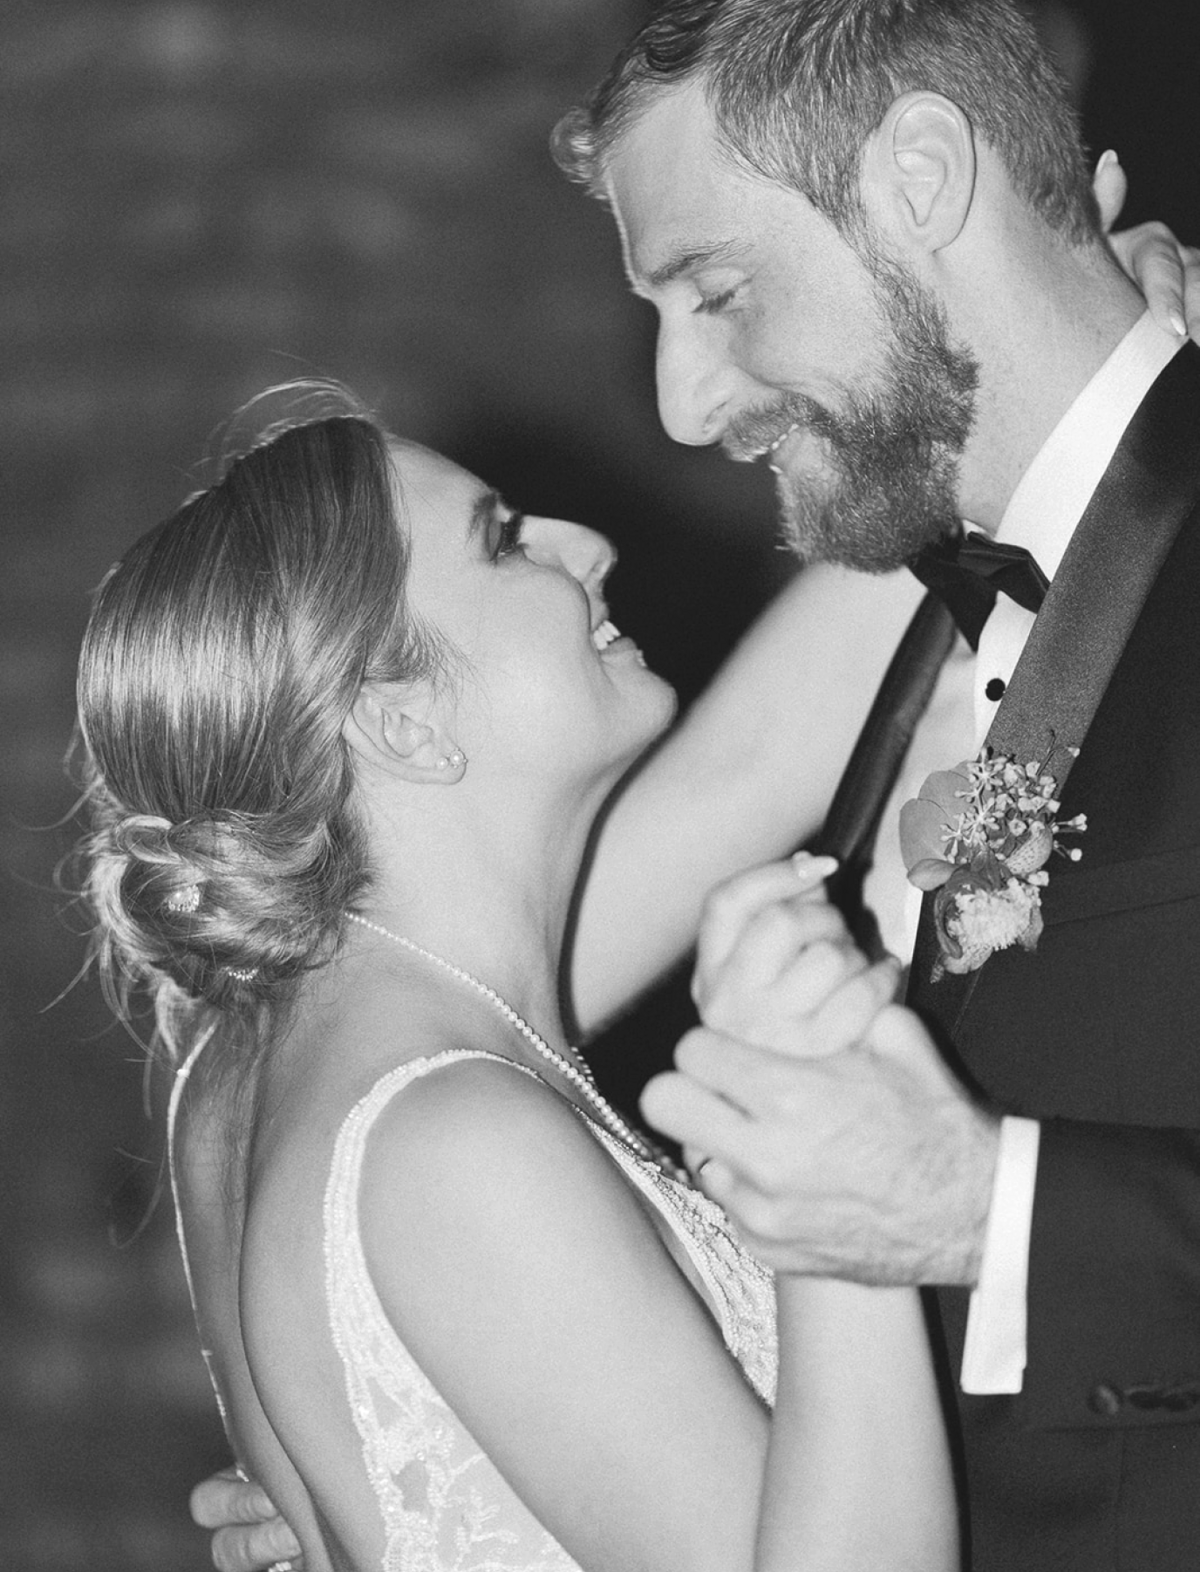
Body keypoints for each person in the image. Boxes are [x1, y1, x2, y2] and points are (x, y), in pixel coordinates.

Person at [535, 1, 1200, 1567]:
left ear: (918, 173)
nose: (681, 406)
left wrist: (998, 1212)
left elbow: (963, 1210)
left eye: (715, 290)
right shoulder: (916, 629)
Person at [78, 399, 959, 1572]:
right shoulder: (450, 1138)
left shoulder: (249, 1064)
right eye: (503, 542)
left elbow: (765, 754)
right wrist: (838, 1185)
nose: (585, 544)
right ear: (402, 720)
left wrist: (1079, 375)